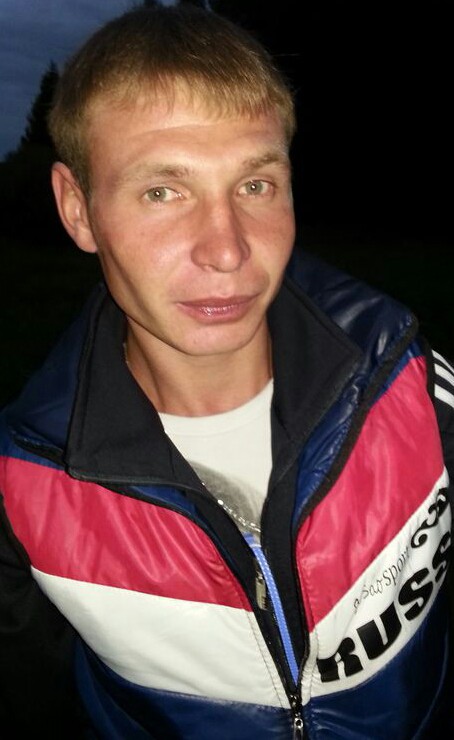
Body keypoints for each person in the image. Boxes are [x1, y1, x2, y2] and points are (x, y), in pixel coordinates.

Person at [0, 3, 453, 738]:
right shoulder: (23, 490)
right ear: (77, 209)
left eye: (254, 186)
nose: (227, 249)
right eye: (162, 192)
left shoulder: (414, 382)